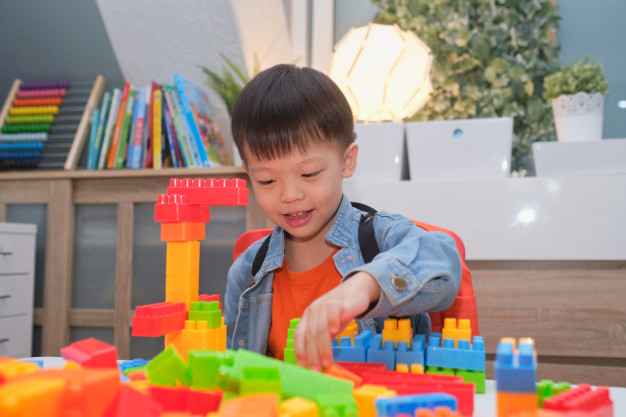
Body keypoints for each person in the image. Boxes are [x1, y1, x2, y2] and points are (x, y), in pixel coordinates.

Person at [224, 64, 461, 371]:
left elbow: (443, 259)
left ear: (347, 161)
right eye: (267, 180)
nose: (290, 195)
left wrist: (364, 287)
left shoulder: (379, 239)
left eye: (309, 173)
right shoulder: (247, 273)